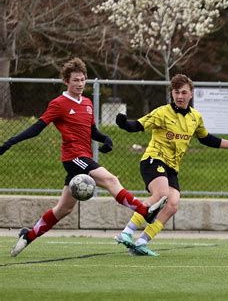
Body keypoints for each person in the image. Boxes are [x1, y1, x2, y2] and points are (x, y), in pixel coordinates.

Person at [0, 57, 167, 257]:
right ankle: (144, 211)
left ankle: (29, 235)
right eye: (75, 80)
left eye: (82, 80)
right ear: (66, 82)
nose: (80, 84)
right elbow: (37, 128)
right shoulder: (59, 104)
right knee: (110, 179)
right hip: (73, 157)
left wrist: (106, 139)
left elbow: (92, 131)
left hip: (82, 157)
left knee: (63, 209)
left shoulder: (87, 103)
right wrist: (10, 142)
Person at [114, 73, 228, 256]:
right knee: (161, 193)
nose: (180, 96)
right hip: (154, 160)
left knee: (173, 204)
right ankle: (126, 233)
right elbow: (138, 125)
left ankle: (141, 242)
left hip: (172, 168)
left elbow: (206, 139)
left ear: (191, 94)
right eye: (176, 92)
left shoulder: (195, 117)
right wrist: (124, 124)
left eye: (184, 92)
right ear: (172, 93)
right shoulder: (162, 112)